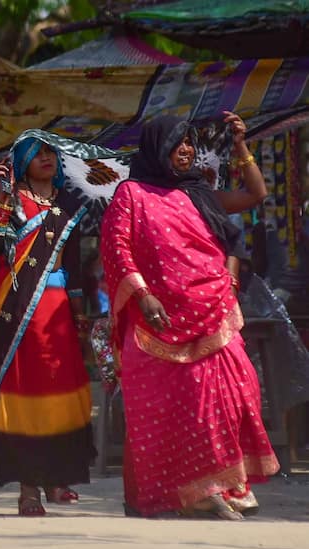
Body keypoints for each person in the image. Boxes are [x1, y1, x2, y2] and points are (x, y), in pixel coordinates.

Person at [100, 112, 278, 519]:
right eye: (177, 143)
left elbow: (256, 194)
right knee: (183, 404)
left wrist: (239, 147)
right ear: (156, 148)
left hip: (213, 307)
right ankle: (195, 493)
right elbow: (116, 248)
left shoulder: (197, 193)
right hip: (159, 320)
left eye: (189, 144)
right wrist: (143, 296)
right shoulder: (131, 193)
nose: (185, 150)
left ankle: (228, 484)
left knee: (239, 389)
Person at [0, 131, 99, 516]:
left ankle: (56, 477)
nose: (47, 157)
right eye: (38, 152)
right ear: (22, 160)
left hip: (58, 308)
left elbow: (75, 265)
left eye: (51, 152)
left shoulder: (68, 207)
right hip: (17, 306)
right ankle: (28, 488)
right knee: (24, 391)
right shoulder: (9, 200)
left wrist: (80, 311)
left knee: (61, 389)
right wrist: (2, 201)